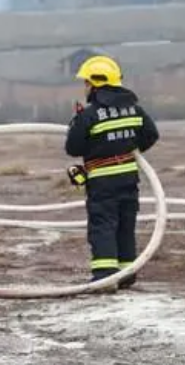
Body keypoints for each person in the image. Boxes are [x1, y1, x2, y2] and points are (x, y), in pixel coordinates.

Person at [65, 55, 159, 287]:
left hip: (102, 181)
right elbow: (151, 135)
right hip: (129, 177)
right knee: (126, 225)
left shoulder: (89, 115)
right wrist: (127, 148)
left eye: (86, 82)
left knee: (103, 225)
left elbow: (73, 148)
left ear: (95, 84)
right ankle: (127, 274)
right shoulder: (134, 110)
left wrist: (77, 125)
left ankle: (105, 276)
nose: (85, 87)